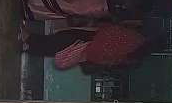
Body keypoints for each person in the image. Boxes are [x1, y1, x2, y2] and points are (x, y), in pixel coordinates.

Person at [22, 21, 163, 71]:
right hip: (92, 54)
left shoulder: (136, 38)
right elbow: (114, 60)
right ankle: (30, 47)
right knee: (61, 50)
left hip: (92, 39)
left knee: (59, 41)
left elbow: (112, 31)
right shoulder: (137, 56)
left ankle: (28, 38)